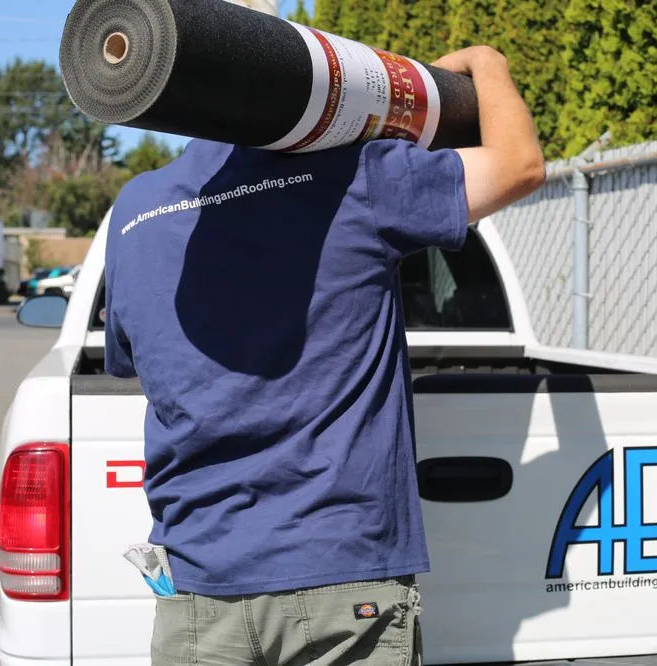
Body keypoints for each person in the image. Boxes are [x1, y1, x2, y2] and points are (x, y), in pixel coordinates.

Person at [102, 5, 545, 664]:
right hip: (342, 580)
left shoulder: (134, 210)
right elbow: (519, 166)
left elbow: (135, 356)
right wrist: (486, 65)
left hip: (197, 589)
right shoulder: (358, 173)